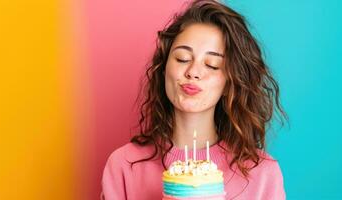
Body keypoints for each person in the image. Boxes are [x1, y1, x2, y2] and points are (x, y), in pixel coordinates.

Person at [101, 0, 287, 199]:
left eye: (212, 64)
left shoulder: (262, 173)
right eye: (182, 58)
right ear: (164, 68)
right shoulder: (125, 165)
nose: (193, 72)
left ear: (230, 82)